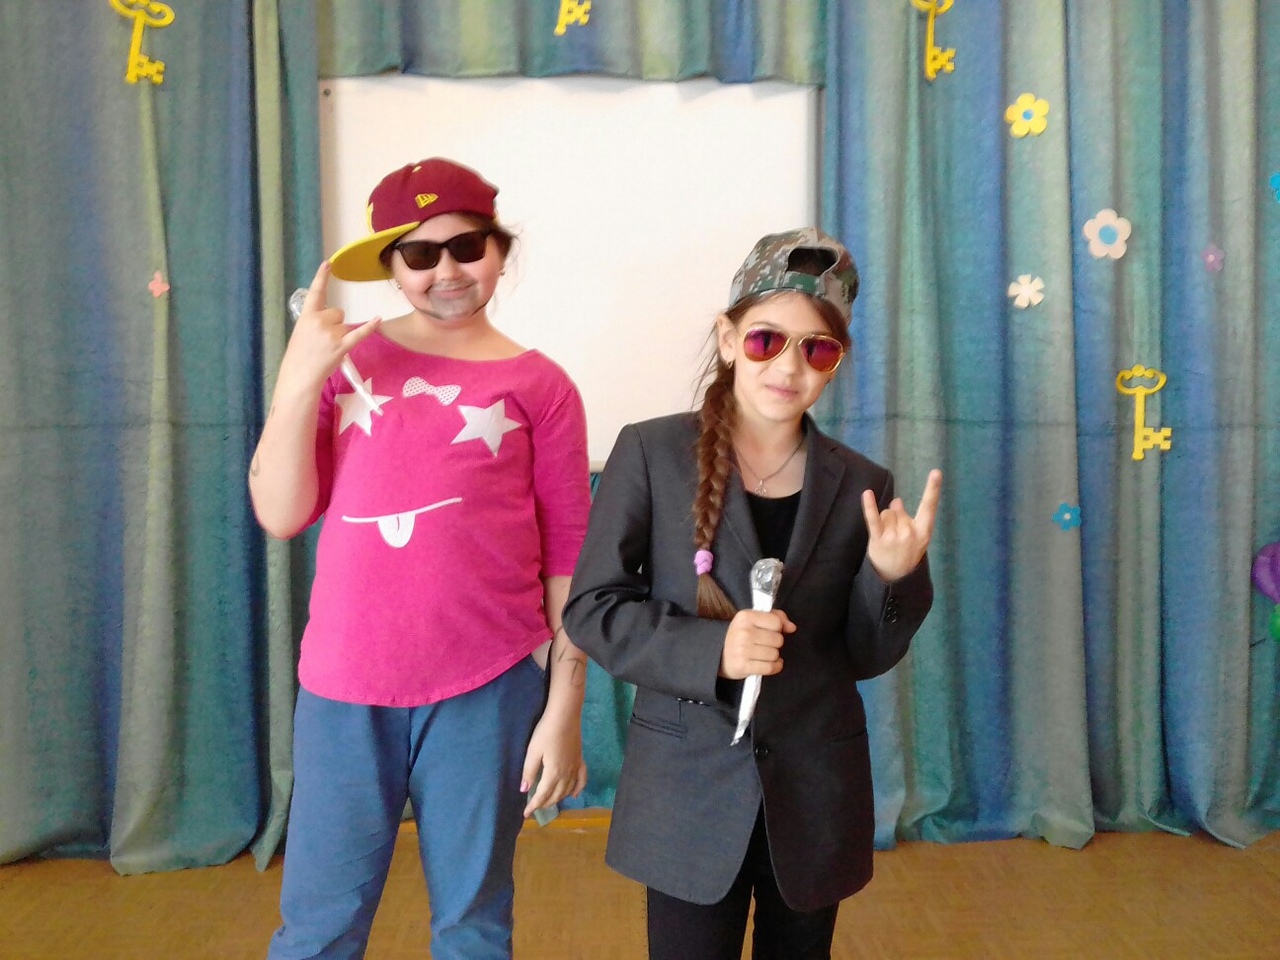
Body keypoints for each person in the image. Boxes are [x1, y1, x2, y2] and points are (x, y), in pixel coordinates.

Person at [562, 228, 942, 959]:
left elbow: (866, 655)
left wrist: (891, 575)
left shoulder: (863, 484)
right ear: (729, 338)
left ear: (836, 363)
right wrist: (714, 650)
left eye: (818, 350)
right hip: (687, 793)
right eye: (768, 340)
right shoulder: (651, 452)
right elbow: (593, 607)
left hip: (816, 791)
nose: (789, 366)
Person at [250, 157, 591, 959]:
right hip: (344, 685)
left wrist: (565, 707)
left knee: (474, 925)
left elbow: (569, 561)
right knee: (319, 926)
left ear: (499, 250)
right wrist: (298, 379)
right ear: (392, 267)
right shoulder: (344, 363)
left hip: (488, 685)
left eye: (467, 246)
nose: (447, 271)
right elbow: (280, 512)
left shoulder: (542, 386)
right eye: (420, 254)